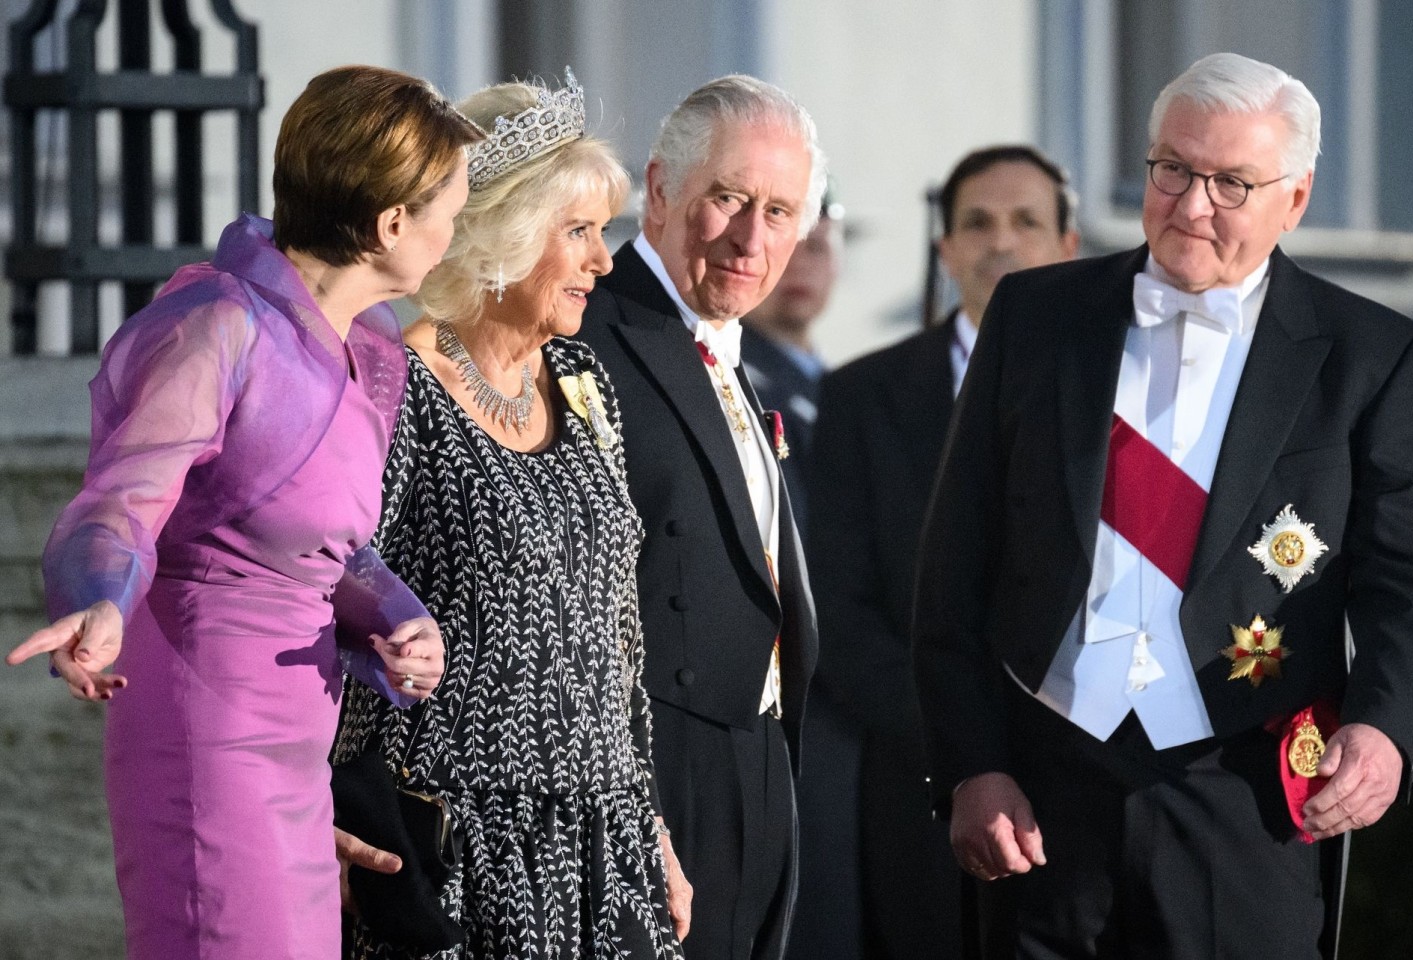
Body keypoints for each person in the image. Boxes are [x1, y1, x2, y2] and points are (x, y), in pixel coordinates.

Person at [913, 52, 1413, 959]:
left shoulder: (1372, 355)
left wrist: (1386, 729)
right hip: (1042, 793)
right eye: (1172, 170)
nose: (1193, 205)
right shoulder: (1035, 316)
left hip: (1242, 794)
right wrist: (973, 764)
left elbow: (1411, 580)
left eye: (1232, 182)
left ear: (1296, 198)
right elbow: (955, 564)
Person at [4, 65, 477, 958]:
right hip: (205, 727)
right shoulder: (217, 324)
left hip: (301, 741)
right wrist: (99, 597)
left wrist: (401, 619)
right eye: (450, 208)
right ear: (391, 225)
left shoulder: (371, 349)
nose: (455, 233)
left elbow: (331, 550)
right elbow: (121, 497)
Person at [331, 72, 688, 960]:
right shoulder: (394, 388)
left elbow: (620, 637)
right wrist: (313, 810)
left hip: (601, 846)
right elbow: (320, 598)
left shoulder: (581, 380)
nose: (605, 261)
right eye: (580, 233)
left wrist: (648, 822)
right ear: (498, 238)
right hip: (451, 842)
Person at [574, 75, 823, 960]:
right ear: (658, 189)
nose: (753, 239)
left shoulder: (727, 344)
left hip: (757, 765)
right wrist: (629, 805)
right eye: (728, 199)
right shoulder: (591, 336)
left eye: (782, 211)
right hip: (650, 775)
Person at [807, 145, 1077, 960]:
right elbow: (839, 610)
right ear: (944, 249)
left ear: (1068, 247)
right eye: (978, 223)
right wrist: (967, 749)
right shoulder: (859, 397)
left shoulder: (1120, 395)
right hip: (917, 783)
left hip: (1078, 783)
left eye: (1026, 221)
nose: (1001, 242)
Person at [740, 190, 843, 534]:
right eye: (782, 245)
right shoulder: (734, 380)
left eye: (815, 247)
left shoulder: (836, 383)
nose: (797, 265)